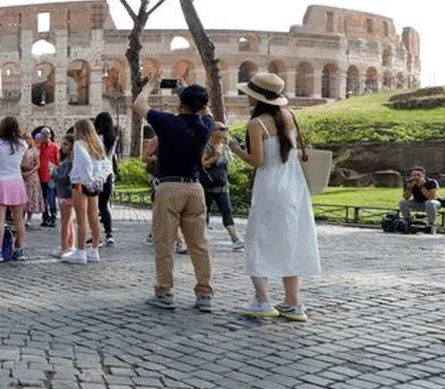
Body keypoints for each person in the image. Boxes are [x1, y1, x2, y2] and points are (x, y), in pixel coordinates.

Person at [229, 72, 321, 321]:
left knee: (257, 240)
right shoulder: (290, 116)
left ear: (257, 98)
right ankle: (293, 303)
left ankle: (262, 300)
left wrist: (235, 149)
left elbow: (257, 161)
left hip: (270, 187)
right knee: (290, 241)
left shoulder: (256, 123)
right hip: (294, 187)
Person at [133, 75, 214, 312]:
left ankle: (165, 291)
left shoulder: (167, 122)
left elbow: (139, 105)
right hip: (195, 188)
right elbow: (206, 110)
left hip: (169, 187)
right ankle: (204, 294)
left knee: (165, 242)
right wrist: (189, 90)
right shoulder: (205, 125)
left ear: (180, 103)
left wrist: (149, 84)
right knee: (199, 244)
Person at [61, 119, 108, 265]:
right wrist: (97, 180)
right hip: (95, 183)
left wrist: (87, 180)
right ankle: (94, 250)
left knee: (81, 219)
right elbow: (106, 164)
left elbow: (84, 163)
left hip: (81, 183)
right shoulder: (97, 144)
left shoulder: (79, 144)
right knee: (94, 217)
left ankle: (80, 251)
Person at [0, 116, 29, 263]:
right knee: (19, 221)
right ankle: (20, 251)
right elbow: (27, 163)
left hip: (0, 182)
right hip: (16, 181)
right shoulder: (22, 144)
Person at [201, 121, 245, 250]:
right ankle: (201, 239)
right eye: (221, 129)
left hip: (222, 186)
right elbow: (201, 163)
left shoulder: (224, 145)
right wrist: (215, 157)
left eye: (225, 128)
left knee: (227, 211)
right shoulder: (207, 146)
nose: (224, 131)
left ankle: (235, 239)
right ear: (213, 131)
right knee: (205, 214)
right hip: (208, 186)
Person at [93, 112, 119, 246]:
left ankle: (96, 235)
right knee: (104, 206)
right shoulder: (113, 138)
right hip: (108, 173)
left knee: (94, 207)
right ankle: (109, 234)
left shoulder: (96, 138)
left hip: (96, 173)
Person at [53, 132, 77, 260]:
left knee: (65, 223)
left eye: (66, 144)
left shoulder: (70, 161)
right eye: (62, 143)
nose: (62, 146)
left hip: (65, 194)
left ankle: (64, 248)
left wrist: (55, 174)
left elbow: (65, 178)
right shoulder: (68, 160)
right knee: (69, 222)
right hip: (66, 193)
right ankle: (70, 245)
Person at [399, 166, 439, 234]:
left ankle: (431, 224)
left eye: (418, 175)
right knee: (403, 202)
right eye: (414, 175)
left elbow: (431, 197)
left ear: (423, 175)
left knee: (429, 203)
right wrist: (410, 188)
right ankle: (408, 221)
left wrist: (421, 187)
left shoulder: (431, 182)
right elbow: (406, 197)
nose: (416, 177)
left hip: (433, 203)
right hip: (417, 202)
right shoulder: (410, 183)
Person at [37, 129, 60, 227]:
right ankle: (45, 217)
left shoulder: (55, 147)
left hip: (50, 177)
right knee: (43, 199)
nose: (44, 136)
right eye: (42, 134)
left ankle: (53, 217)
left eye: (46, 134)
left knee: (51, 199)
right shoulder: (38, 148)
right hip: (40, 177)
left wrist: (56, 174)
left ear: (50, 135)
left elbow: (58, 162)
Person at [21, 141, 43, 225]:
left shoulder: (35, 151)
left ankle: (29, 218)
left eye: (28, 139)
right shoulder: (21, 149)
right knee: (22, 196)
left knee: (31, 196)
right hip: (22, 174)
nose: (27, 141)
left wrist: (29, 173)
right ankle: (21, 217)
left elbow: (38, 164)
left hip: (32, 175)